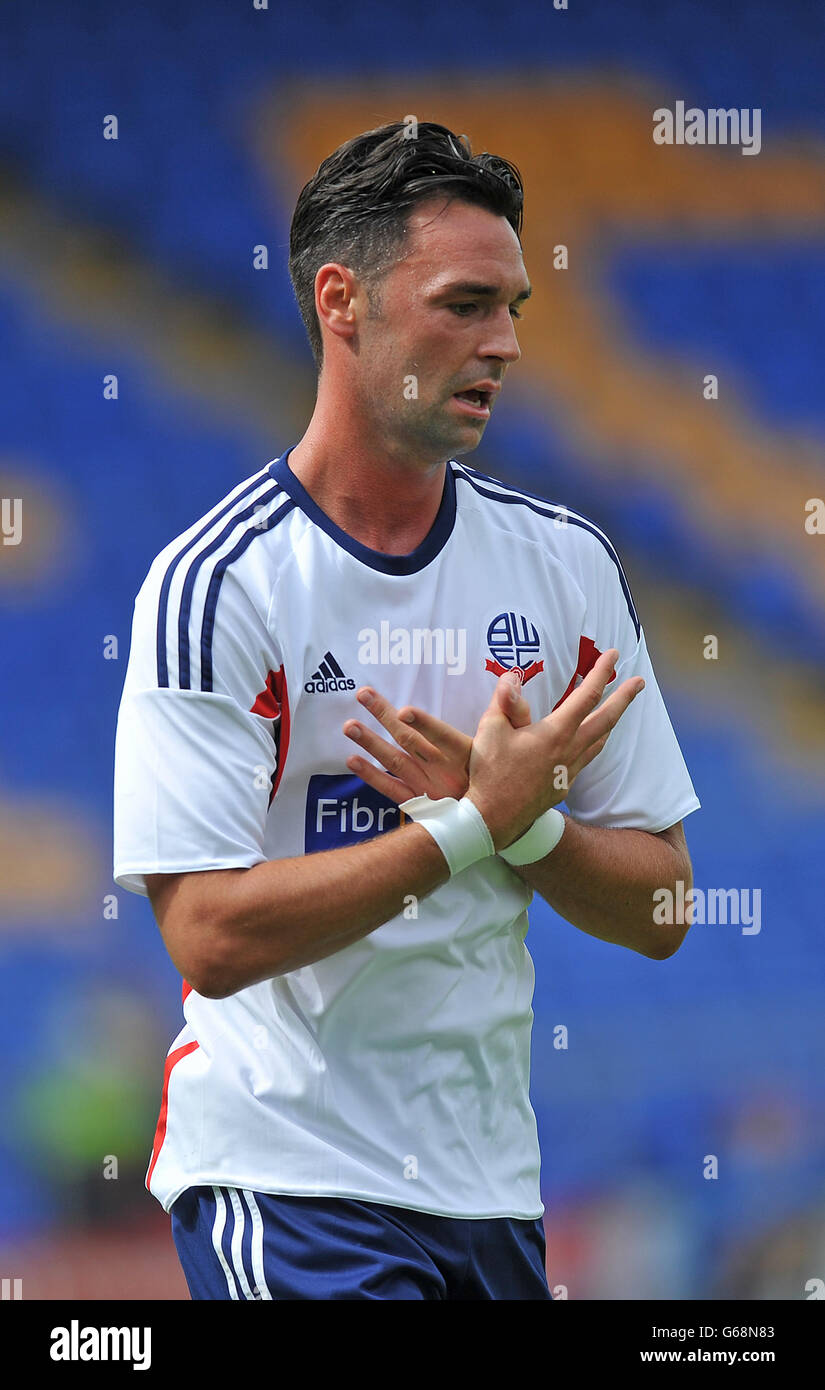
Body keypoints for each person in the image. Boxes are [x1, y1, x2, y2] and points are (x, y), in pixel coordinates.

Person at [112, 120, 700, 1301]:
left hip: (489, 1195)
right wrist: (469, 830)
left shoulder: (567, 566)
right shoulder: (219, 584)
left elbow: (669, 901)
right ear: (344, 301)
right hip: (287, 1179)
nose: (510, 343)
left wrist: (526, 826)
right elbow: (209, 939)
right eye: (467, 304)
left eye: (517, 307)